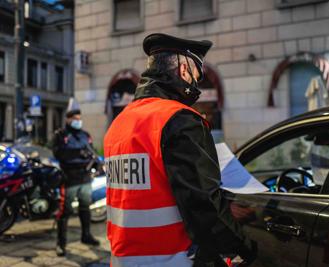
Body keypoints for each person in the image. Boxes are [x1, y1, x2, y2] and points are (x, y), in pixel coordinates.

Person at [104, 33, 257, 267]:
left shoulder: (120, 122)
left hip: (123, 259)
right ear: (184, 70)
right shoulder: (178, 119)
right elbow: (201, 203)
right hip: (171, 259)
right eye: (197, 76)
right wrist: (241, 246)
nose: (196, 84)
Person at [52, 99, 100, 256]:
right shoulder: (61, 135)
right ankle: (61, 243)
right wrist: (79, 154)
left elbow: (91, 153)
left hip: (85, 178)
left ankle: (86, 235)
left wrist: (95, 163)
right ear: (68, 119)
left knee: (85, 207)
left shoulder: (85, 135)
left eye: (79, 118)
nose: (78, 121)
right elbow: (59, 154)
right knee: (65, 211)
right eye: (75, 119)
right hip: (69, 178)